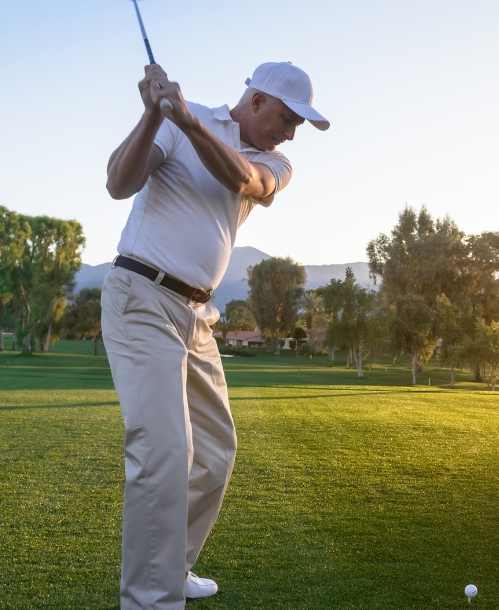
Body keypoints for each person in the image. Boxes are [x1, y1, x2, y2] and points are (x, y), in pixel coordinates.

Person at [102, 61, 329, 609]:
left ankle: (172, 568)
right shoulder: (181, 122)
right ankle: (150, 601)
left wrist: (186, 120)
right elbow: (117, 183)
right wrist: (153, 116)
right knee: (165, 452)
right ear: (256, 102)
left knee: (216, 453)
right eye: (288, 116)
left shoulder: (273, 161)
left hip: (197, 316)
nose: (292, 130)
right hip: (141, 297)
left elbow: (245, 181)